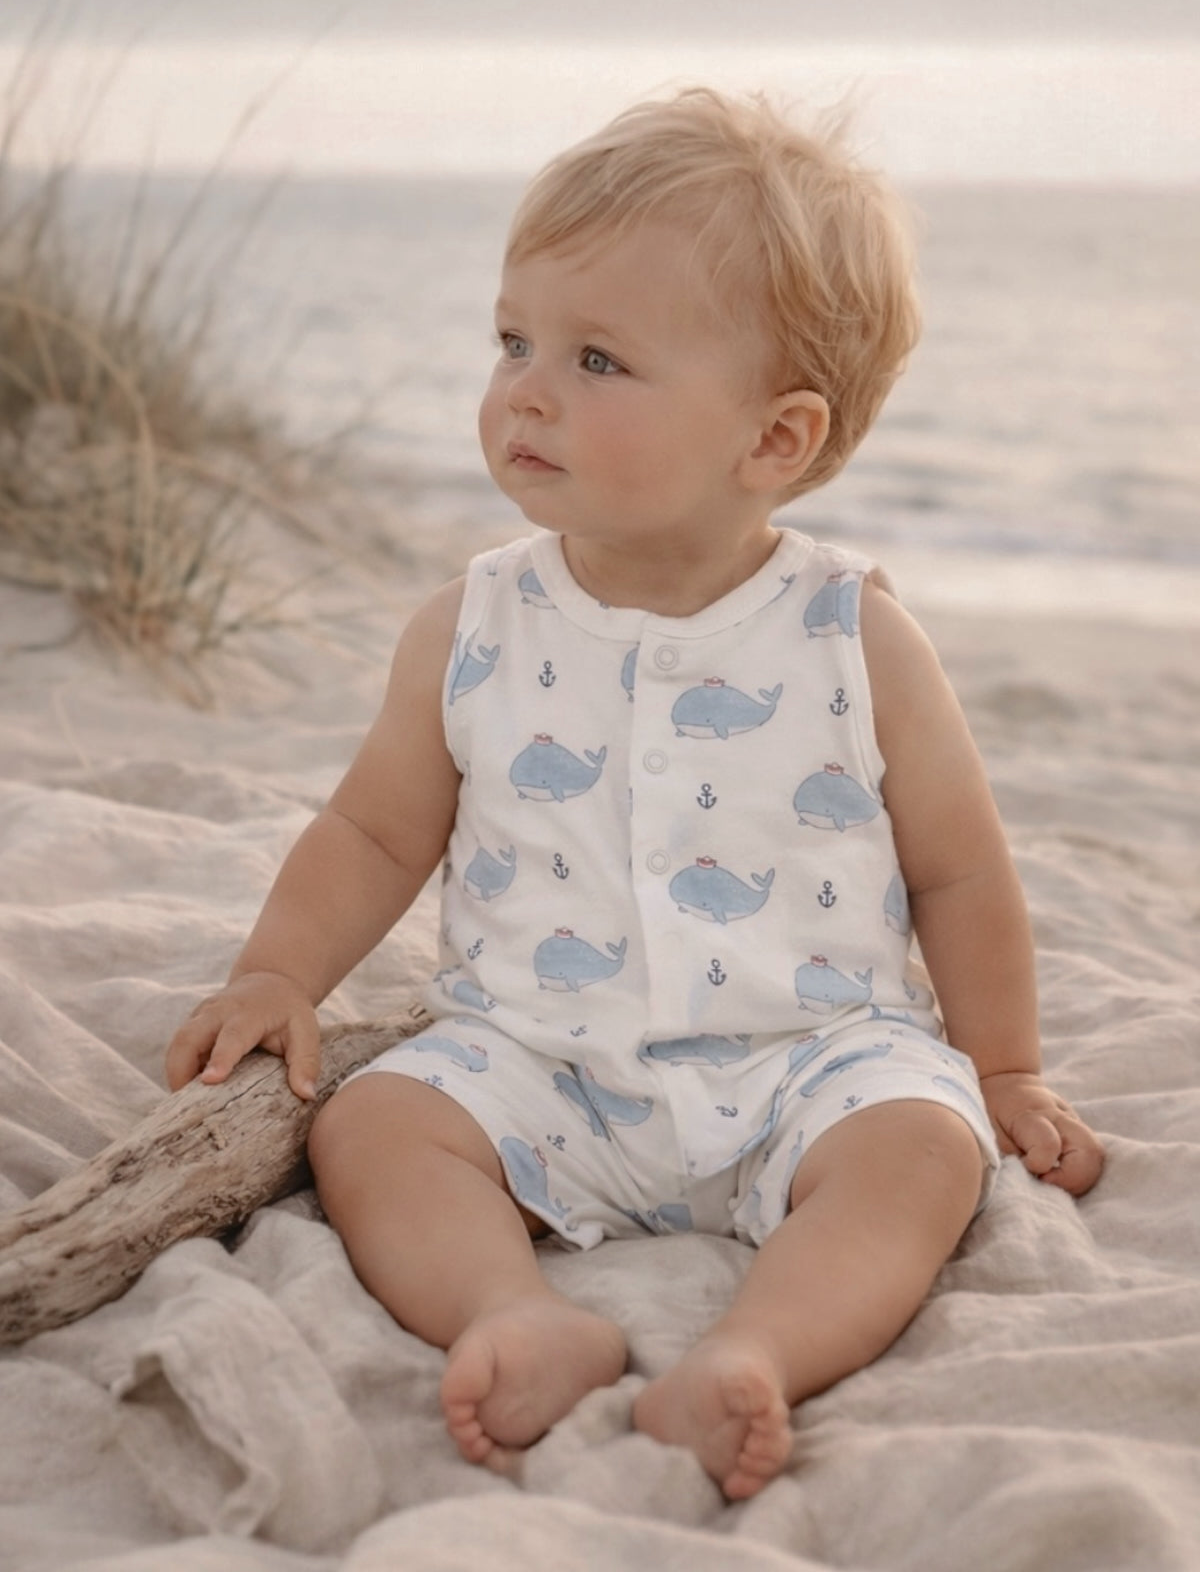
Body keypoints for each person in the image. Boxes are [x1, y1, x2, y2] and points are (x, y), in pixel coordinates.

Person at [166, 87, 1105, 1500]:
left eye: (597, 359)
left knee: (921, 1148)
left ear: (777, 440)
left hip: (807, 1057)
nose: (526, 387)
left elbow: (962, 871)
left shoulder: (854, 638)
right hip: (543, 1056)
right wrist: (279, 969)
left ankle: (756, 1354)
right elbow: (371, 830)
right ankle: (513, 1311)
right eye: (513, 340)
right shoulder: (474, 625)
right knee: (375, 1126)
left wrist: (1008, 1064)